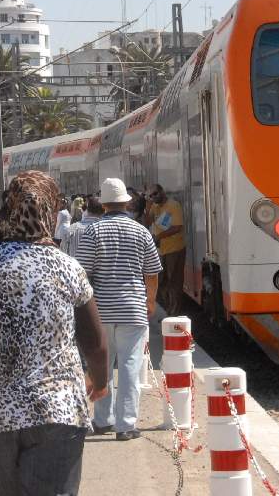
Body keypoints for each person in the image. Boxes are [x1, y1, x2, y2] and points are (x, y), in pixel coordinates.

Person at [0, 171, 109, 495]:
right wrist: (99, 382)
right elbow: (95, 343)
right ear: (51, 211)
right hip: (56, 409)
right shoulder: (66, 266)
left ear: (6, 210)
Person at [75, 178, 161, 441]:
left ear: (103, 205)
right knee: (130, 367)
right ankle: (126, 424)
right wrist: (150, 301)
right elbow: (152, 272)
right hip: (133, 309)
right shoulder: (141, 231)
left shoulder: (92, 232)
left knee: (103, 364)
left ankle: (103, 420)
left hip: (101, 311)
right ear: (126, 203)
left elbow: (82, 274)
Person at [147, 184, 186, 317]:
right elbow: (146, 222)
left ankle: (174, 313)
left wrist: (159, 236)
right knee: (162, 281)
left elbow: (177, 227)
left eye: (155, 193)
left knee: (174, 281)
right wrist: (148, 205)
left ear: (162, 191)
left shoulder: (173, 205)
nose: (154, 197)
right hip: (161, 250)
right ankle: (169, 309)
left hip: (174, 249)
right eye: (151, 195)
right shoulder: (154, 206)